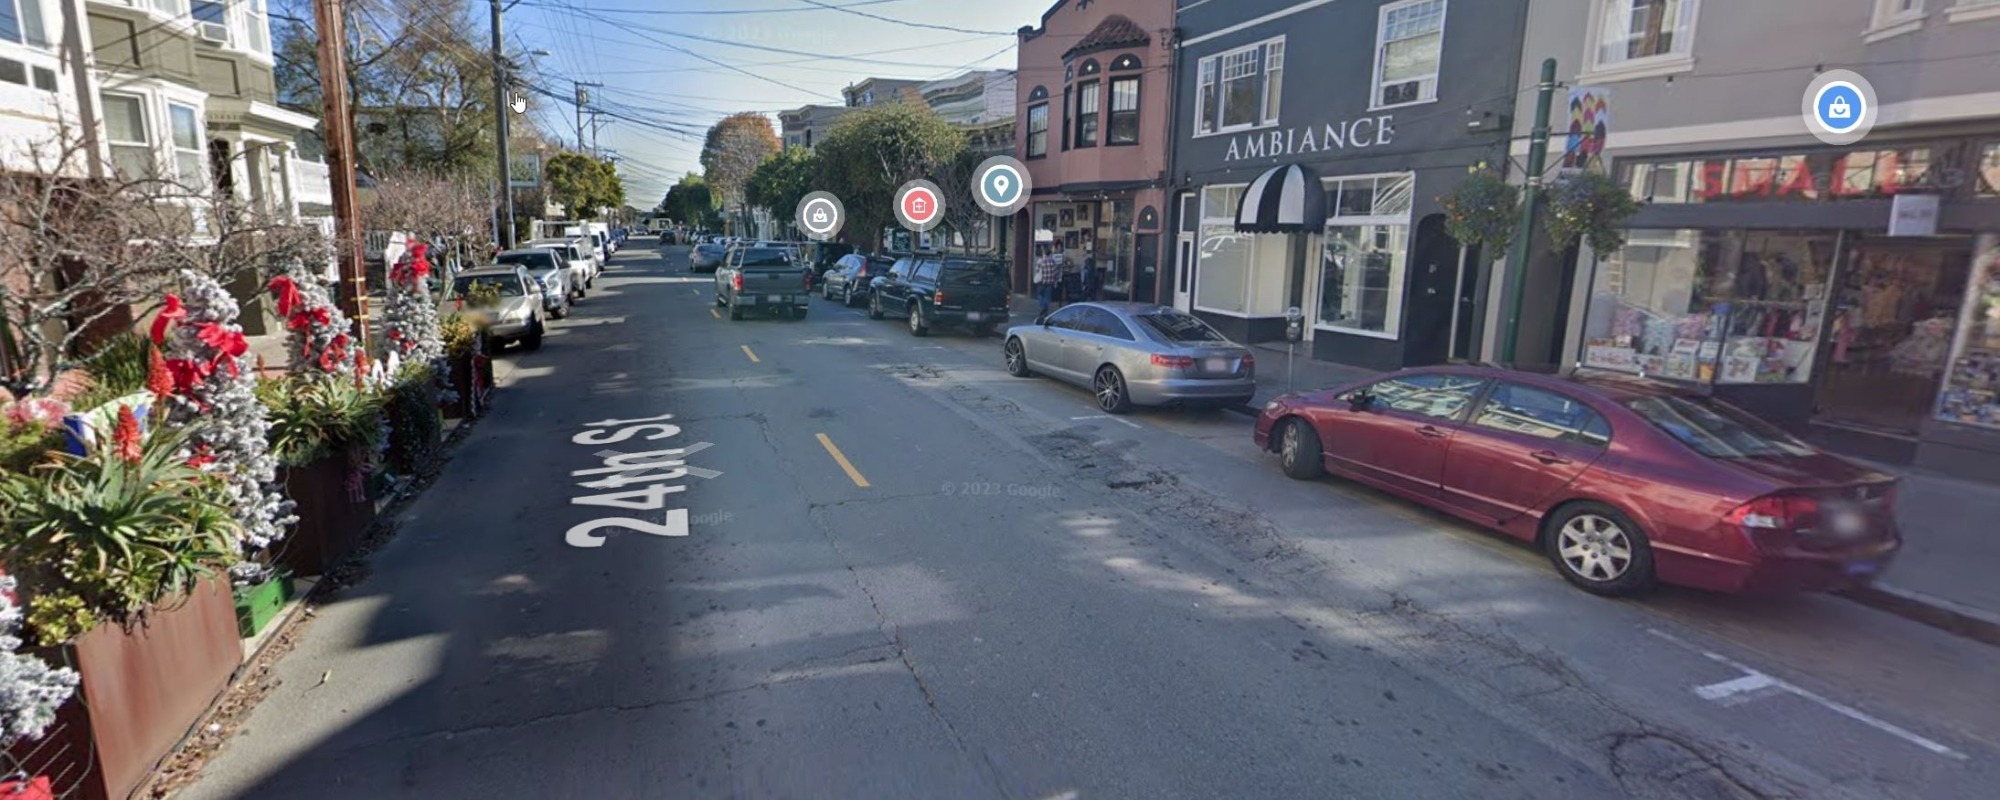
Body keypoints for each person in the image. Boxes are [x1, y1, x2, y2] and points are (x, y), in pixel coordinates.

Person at [1033, 245, 1062, 320]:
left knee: (1039, 295)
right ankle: (1046, 310)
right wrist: (1055, 280)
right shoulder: (1053, 261)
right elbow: (1055, 272)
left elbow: (1037, 271)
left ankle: (1043, 307)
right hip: (1050, 282)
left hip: (1042, 282)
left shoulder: (1040, 261)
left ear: (1044, 253)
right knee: (1047, 297)